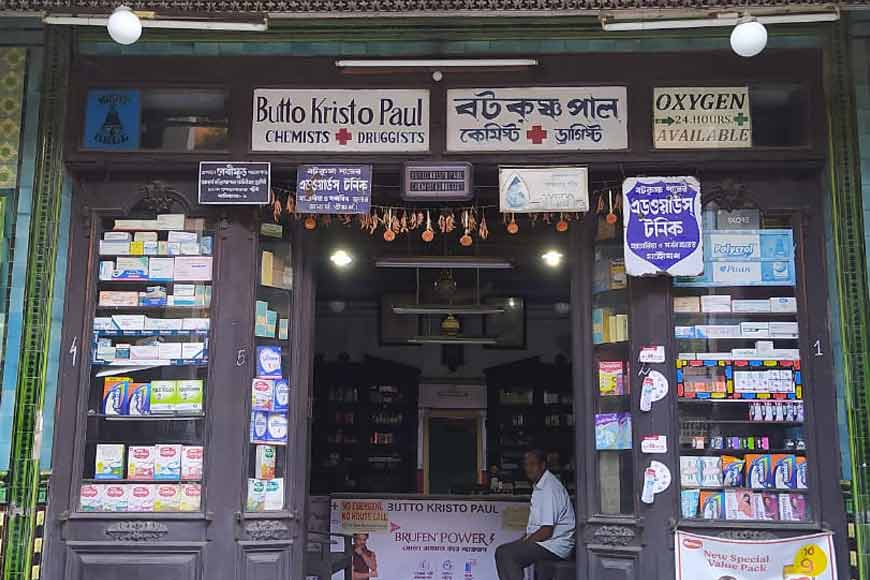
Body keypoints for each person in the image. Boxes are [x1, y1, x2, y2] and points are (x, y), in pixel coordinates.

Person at [495, 449, 576, 580]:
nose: (528, 468)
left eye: (532, 464)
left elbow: (546, 531)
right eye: (526, 465)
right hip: (547, 543)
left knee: (508, 555)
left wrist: (524, 543)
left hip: (555, 546)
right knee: (502, 552)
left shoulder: (550, 488)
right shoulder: (541, 485)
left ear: (542, 465)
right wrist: (523, 541)